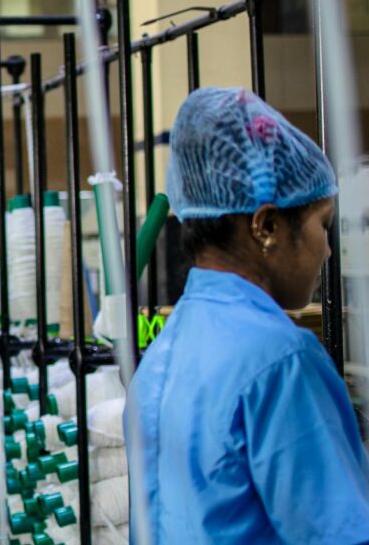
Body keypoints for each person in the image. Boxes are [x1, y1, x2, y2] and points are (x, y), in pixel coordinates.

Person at [125, 87, 369, 543]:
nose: (328, 249)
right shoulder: (280, 359)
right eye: (324, 224)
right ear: (268, 226)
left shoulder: (163, 354)